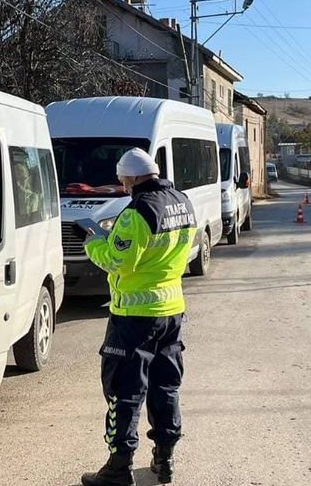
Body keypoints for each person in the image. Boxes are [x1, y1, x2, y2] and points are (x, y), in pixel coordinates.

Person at [80, 148, 195, 486]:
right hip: (171, 311)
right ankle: (164, 460)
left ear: (130, 178)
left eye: (122, 180)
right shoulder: (182, 202)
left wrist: (95, 242)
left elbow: (119, 262)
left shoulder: (136, 213)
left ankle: (118, 468)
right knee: (166, 386)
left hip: (134, 317)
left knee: (124, 391)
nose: (122, 185)